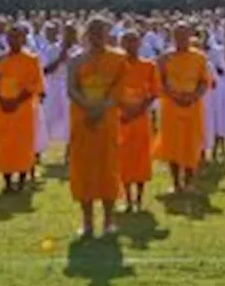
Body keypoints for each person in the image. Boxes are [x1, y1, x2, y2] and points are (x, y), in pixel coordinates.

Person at [66, 17, 127, 238]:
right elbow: (71, 88)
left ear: (108, 34)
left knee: (107, 167)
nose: (97, 37)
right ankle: (87, 221)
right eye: (92, 32)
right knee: (84, 169)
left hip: (107, 119)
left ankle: (109, 221)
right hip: (83, 119)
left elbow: (120, 88)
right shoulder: (76, 60)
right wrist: (88, 107)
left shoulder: (119, 59)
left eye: (101, 32)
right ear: (86, 35)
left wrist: (102, 108)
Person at [155, 23, 212, 194]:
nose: (181, 40)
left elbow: (204, 81)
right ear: (172, 38)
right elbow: (160, 81)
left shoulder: (200, 57)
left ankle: (189, 182)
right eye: (177, 36)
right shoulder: (165, 58)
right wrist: (175, 96)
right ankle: (176, 183)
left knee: (191, 143)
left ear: (190, 36)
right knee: (172, 143)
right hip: (171, 105)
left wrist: (193, 96)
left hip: (193, 105)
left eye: (184, 36)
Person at [0, 25, 44, 193]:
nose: (14, 40)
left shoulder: (32, 60)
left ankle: (22, 180)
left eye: (18, 37)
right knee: (4, 144)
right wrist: (1, 100)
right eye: (11, 37)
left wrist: (16, 101)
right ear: (6, 39)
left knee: (23, 143)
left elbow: (36, 84)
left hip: (23, 108)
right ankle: (7, 181)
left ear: (24, 39)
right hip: (3, 107)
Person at [118, 30, 159, 212]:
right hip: (121, 117)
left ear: (140, 44)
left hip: (141, 117)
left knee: (141, 157)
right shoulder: (116, 66)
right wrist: (124, 110)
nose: (130, 46)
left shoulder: (149, 66)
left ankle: (139, 198)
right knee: (123, 157)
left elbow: (154, 92)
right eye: (127, 42)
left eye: (134, 42)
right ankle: (127, 198)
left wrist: (139, 109)